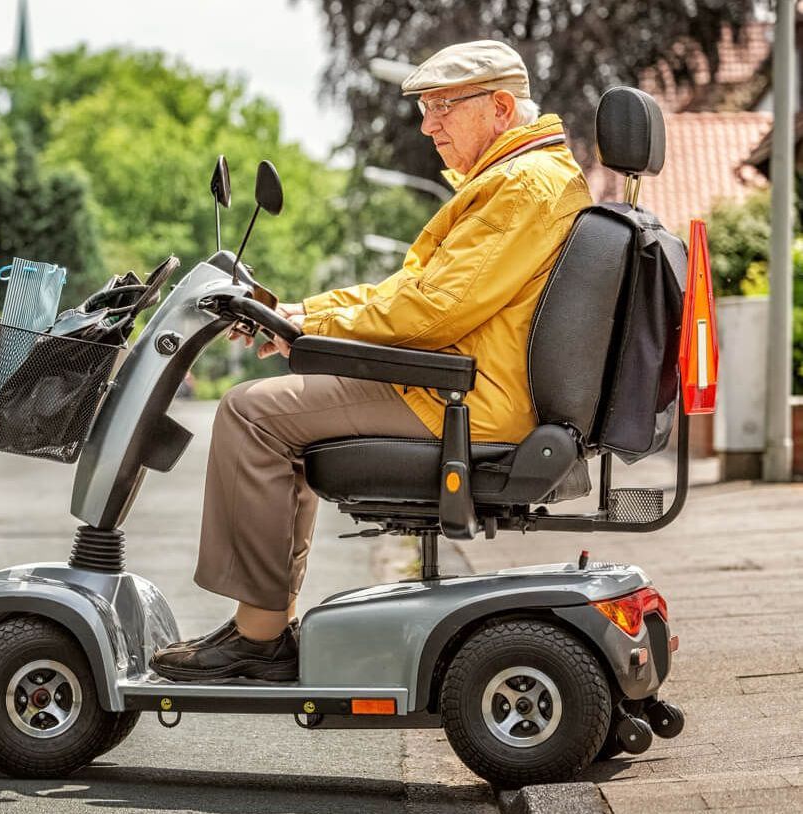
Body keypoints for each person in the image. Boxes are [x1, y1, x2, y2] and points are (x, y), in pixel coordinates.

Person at [150, 40, 594, 682]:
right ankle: (263, 627)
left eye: (442, 106)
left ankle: (259, 638)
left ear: (500, 107)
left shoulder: (521, 184)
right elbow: (413, 297)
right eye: (425, 107)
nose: (426, 123)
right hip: (466, 384)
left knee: (252, 413)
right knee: (275, 411)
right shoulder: (521, 179)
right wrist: (300, 316)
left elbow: (432, 311)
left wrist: (312, 324)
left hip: (467, 398)